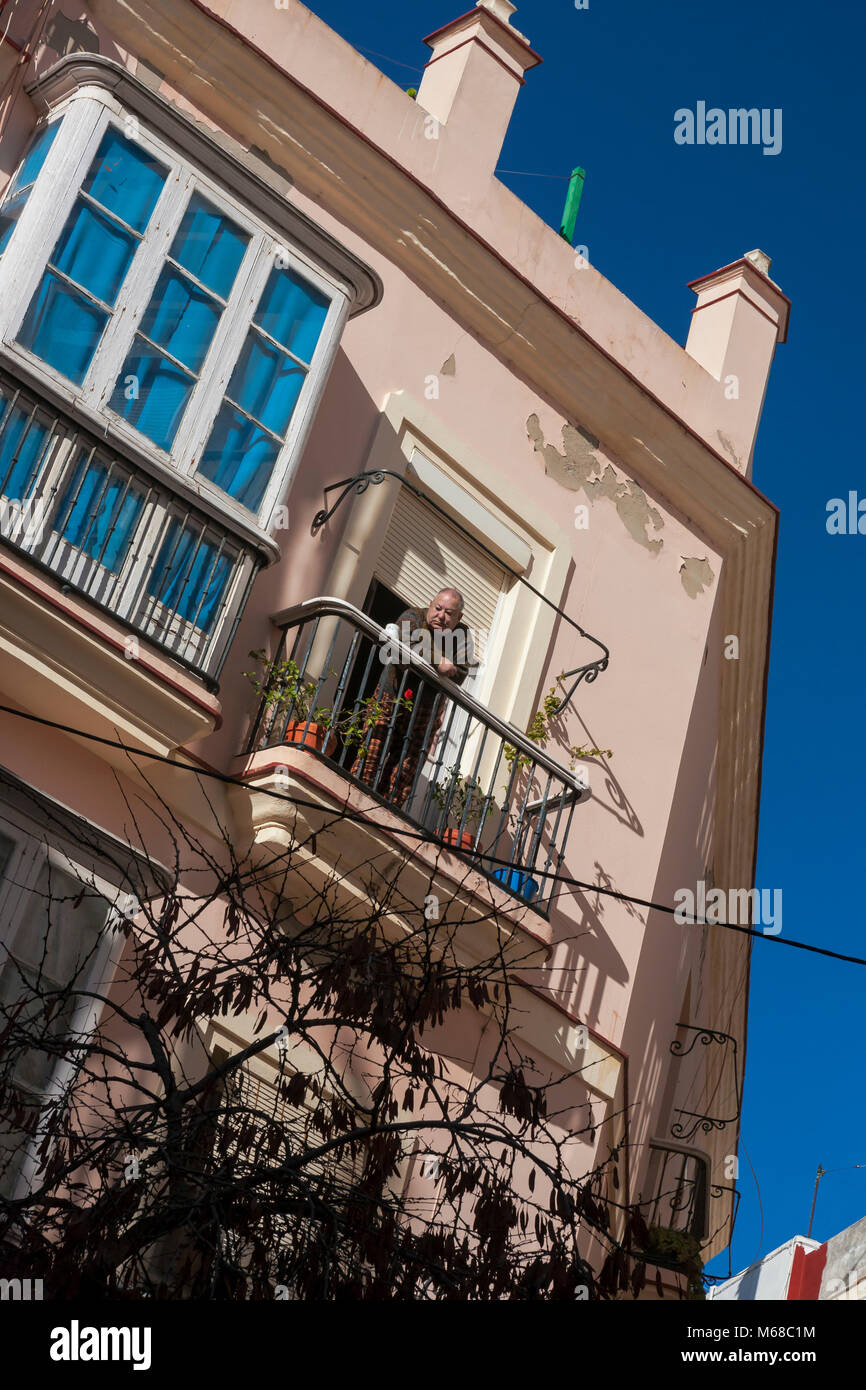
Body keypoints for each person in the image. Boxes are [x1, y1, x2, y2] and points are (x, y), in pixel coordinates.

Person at [351, 588, 471, 805]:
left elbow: (461, 672)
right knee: (370, 756)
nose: (441, 616)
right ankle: (352, 802)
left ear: (458, 618)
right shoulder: (414, 615)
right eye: (438, 608)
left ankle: (384, 816)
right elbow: (404, 643)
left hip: (425, 710)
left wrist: (438, 662)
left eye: (449, 613)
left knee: (404, 772)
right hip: (391, 696)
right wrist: (439, 661)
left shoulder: (461, 634)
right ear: (431, 603)